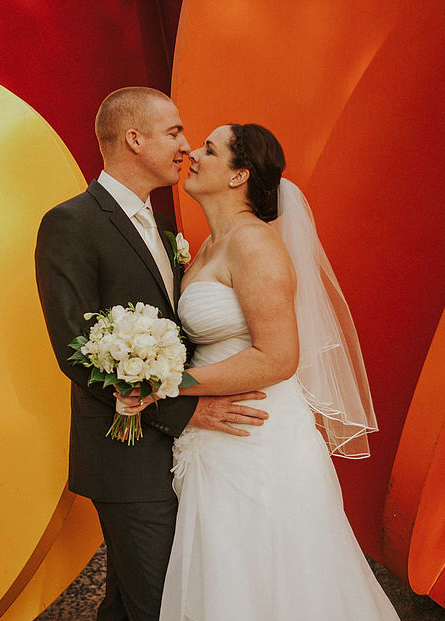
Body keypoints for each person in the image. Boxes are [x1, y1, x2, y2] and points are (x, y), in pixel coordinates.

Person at [119, 123, 401, 620]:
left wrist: (168, 383)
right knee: (225, 579)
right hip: (215, 436)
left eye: (209, 150)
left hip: (259, 438)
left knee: (274, 580)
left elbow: (277, 358)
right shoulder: (209, 246)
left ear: (238, 176)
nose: (192, 154)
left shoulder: (254, 244)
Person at [34, 89, 269, 621]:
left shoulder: (163, 227)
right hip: (125, 455)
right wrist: (186, 410)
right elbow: (75, 350)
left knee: (131, 603)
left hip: (180, 456)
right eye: (174, 132)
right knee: (162, 605)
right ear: (134, 139)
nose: (186, 146)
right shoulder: (70, 222)